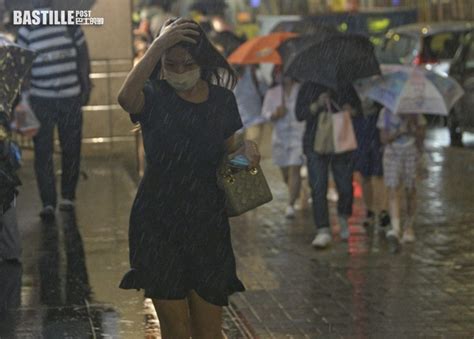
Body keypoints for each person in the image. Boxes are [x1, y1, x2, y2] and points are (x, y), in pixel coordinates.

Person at [117, 18, 260, 338]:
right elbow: (126, 97)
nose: (180, 71)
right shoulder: (153, 96)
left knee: (208, 331)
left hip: (207, 224)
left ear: (203, 62)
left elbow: (230, 162)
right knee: (176, 331)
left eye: (188, 63)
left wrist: (247, 159)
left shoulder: (222, 101)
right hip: (157, 223)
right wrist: (157, 45)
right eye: (171, 64)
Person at [16, 0, 91, 220]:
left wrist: (85, 83)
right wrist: (24, 99)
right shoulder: (26, 28)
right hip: (42, 99)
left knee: (69, 148)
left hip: (70, 97)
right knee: (45, 151)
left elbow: (82, 53)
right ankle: (48, 202)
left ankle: (67, 197)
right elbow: (23, 67)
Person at [296, 82, 359, 249]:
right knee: (318, 187)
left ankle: (344, 216)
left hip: (341, 142)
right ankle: (322, 228)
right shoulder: (308, 86)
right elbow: (300, 114)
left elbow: (357, 110)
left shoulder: (344, 85)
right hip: (315, 144)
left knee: (345, 185)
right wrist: (317, 104)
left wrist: (349, 109)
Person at [377, 108, 426, 252]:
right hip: (392, 153)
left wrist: (411, 128)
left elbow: (422, 135)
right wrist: (399, 131)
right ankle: (396, 227)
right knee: (392, 188)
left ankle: (409, 226)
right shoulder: (385, 113)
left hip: (411, 152)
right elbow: (383, 138)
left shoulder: (416, 112)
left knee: (410, 189)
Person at [262, 73, 304, 219]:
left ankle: (290, 205)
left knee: (295, 167)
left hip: (299, 135)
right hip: (280, 137)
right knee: (285, 172)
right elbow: (265, 113)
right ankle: (296, 189)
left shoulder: (301, 90)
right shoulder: (273, 92)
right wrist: (275, 114)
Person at [353, 99, 391, 231]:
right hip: (360, 129)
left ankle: (383, 211)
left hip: (376, 129)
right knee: (365, 175)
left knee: (380, 173)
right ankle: (369, 211)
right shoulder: (351, 89)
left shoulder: (380, 90)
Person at [233, 65, 266, 145]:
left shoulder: (255, 74)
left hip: (254, 120)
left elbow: (266, 93)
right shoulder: (228, 77)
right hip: (235, 125)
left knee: (252, 152)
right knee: (235, 155)